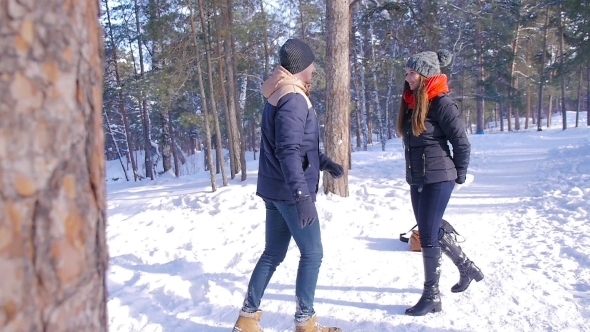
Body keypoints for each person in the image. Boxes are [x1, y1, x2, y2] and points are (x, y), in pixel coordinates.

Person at [233, 38, 343, 332]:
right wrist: (301, 195)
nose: (314, 68)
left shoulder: (281, 92)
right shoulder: (293, 97)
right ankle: (305, 321)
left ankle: (247, 318)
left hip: (275, 190)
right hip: (290, 193)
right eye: (311, 63)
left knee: (273, 253)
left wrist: (323, 161)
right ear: (301, 67)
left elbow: (294, 144)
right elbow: (287, 150)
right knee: (313, 253)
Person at [397, 49, 484, 316]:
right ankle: (467, 268)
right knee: (430, 230)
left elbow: (462, 143)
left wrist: (459, 174)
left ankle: (431, 295)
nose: (408, 77)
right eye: (408, 72)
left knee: (427, 235)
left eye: (412, 72)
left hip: (439, 177)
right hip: (418, 177)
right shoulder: (413, 101)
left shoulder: (442, 103)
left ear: (425, 75)